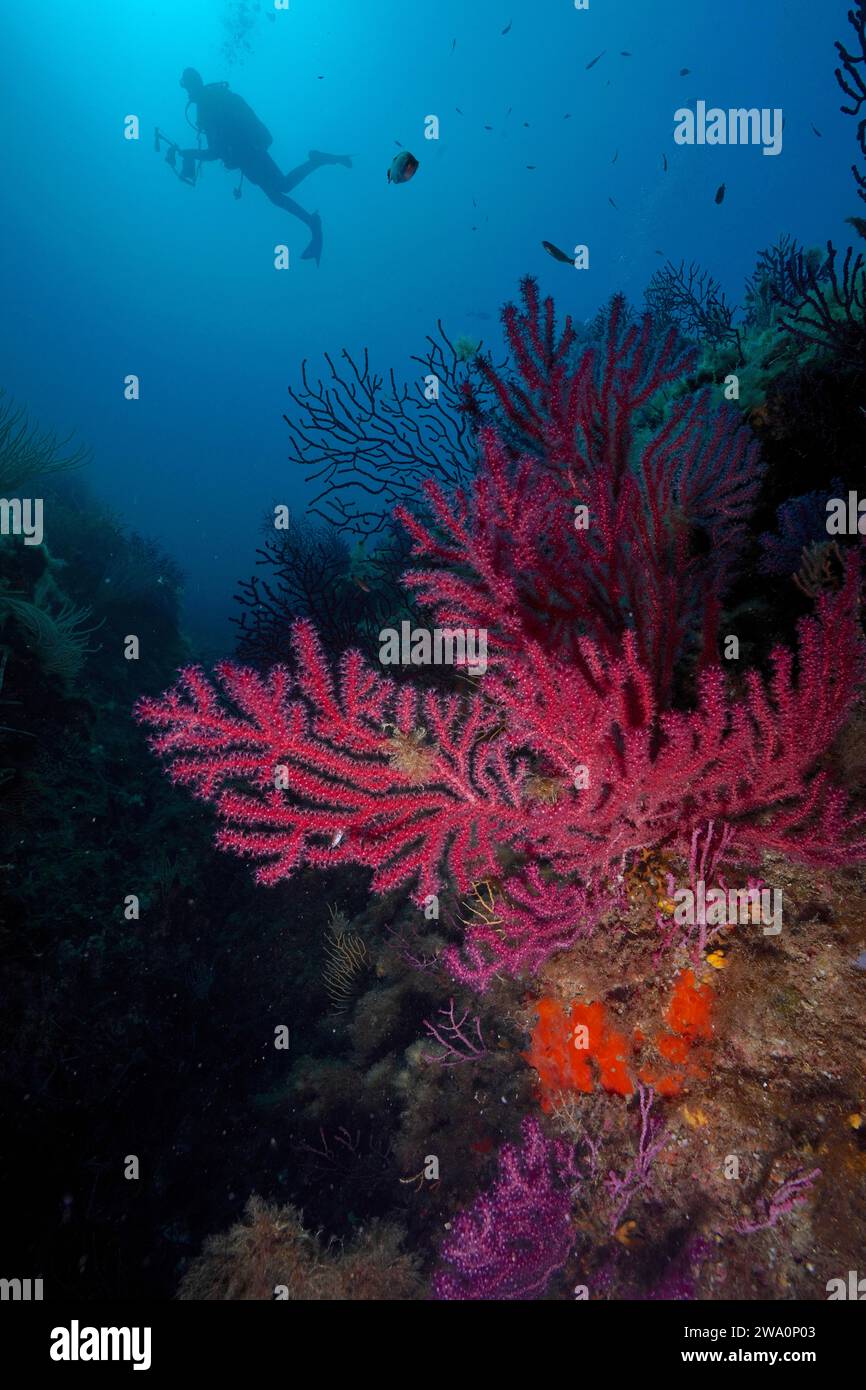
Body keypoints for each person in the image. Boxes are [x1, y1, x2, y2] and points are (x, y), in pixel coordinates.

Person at [176, 68, 351, 265]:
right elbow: (219, 148)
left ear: (193, 84)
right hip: (248, 155)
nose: (187, 93)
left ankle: (317, 165)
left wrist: (190, 154)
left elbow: (215, 152)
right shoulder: (211, 101)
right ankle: (312, 220)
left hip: (251, 154)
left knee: (282, 188)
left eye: (187, 87)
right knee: (276, 195)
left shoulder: (208, 105)